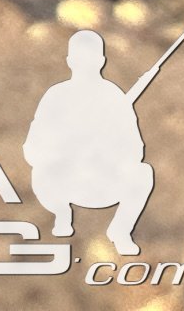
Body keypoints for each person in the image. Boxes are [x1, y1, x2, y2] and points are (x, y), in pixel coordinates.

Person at [25, 27, 158, 253]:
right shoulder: (56, 96)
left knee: (143, 173)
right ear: (70, 60)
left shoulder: (114, 97)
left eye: (91, 58)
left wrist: (107, 150)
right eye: (80, 58)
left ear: (101, 60)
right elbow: (32, 148)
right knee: (41, 171)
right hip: (65, 182)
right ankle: (62, 214)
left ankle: (120, 230)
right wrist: (64, 150)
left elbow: (136, 150)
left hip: (103, 181)